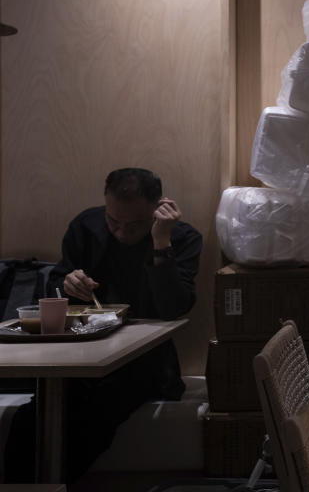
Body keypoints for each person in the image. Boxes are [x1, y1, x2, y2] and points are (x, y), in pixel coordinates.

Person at [4, 167, 201, 482]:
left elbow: (172, 308)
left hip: (144, 361)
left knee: (93, 417)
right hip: (81, 353)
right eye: (113, 221)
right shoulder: (86, 226)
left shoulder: (182, 237)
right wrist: (68, 282)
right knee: (31, 418)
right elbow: (58, 283)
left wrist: (160, 241)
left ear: (157, 209)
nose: (121, 232)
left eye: (134, 224)